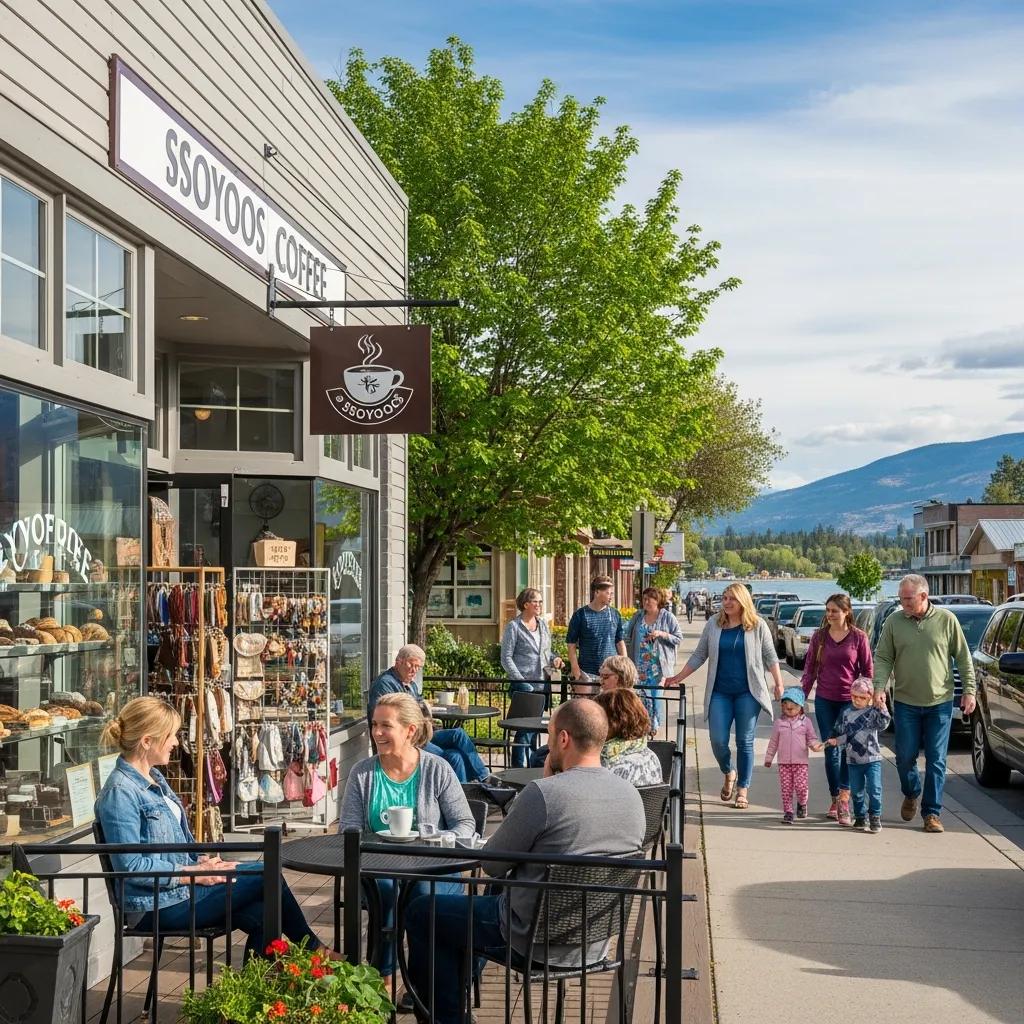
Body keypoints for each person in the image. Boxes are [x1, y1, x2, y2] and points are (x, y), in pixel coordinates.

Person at [403, 700, 645, 1024]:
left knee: (424, 912)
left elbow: (492, 865)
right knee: (476, 905)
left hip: (531, 940)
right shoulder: (632, 795)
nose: (546, 744)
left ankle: (445, 1018)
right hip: (595, 940)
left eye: (549, 735)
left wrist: (546, 781)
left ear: (563, 739)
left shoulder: (544, 794)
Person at [94, 697, 334, 961]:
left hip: (179, 892)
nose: (176, 742)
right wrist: (194, 873)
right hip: (155, 906)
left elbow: (174, 846)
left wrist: (203, 862)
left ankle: (257, 992)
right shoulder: (120, 793)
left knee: (265, 910)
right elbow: (130, 868)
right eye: (171, 735)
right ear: (147, 741)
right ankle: (315, 950)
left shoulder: (155, 778)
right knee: (267, 874)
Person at [340, 692, 473, 982]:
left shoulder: (437, 769)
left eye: (386, 726)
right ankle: (383, 979)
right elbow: (348, 830)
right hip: (380, 867)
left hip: (432, 868)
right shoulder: (363, 773)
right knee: (386, 893)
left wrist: (432, 840)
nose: (377, 733)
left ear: (410, 730)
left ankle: (421, 984)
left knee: (421, 896)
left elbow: (465, 825)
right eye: (374, 725)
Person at [871, 573, 976, 834]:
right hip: (906, 702)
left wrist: (970, 691)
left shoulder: (946, 620)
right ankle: (911, 791)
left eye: (908, 599)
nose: (903, 603)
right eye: (901, 598)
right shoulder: (894, 622)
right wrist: (878, 687)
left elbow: (963, 658)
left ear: (923, 596)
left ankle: (932, 813)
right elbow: (883, 658)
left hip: (939, 702)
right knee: (905, 757)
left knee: (936, 760)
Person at [665, 583, 784, 810]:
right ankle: (729, 771)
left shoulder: (757, 625)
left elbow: (770, 656)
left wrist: (778, 683)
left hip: (748, 693)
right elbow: (700, 654)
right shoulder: (714, 624)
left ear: (743, 602)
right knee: (718, 739)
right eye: (725, 598)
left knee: (744, 741)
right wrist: (678, 676)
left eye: (732, 599)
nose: (727, 602)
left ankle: (742, 789)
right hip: (720, 691)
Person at [367, 644, 495, 784]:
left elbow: (420, 706)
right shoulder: (385, 684)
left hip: (422, 733)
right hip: (408, 739)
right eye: (412, 665)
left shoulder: (410, 684)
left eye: (418, 667)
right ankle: (465, 794)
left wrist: (425, 710)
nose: (414, 670)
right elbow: (391, 717)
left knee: (458, 733)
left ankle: (483, 777)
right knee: (454, 756)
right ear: (399, 662)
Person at [801, 593, 873, 826]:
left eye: (834, 611)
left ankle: (844, 798)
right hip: (825, 700)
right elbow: (810, 669)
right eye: (828, 610)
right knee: (831, 750)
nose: (829, 615)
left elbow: (867, 671)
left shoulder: (858, 638)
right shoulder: (819, 637)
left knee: (848, 751)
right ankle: (836, 797)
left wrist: (868, 698)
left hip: (851, 703)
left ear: (846, 612)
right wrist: (800, 697)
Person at [500, 588, 564, 766]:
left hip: (541, 683)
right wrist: (521, 681)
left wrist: (555, 658)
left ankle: (534, 769)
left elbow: (545, 652)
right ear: (525, 604)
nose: (539, 605)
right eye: (536, 601)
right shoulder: (514, 627)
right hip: (523, 686)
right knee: (524, 731)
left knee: (535, 730)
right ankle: (517, 770)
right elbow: (506, 658)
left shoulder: (542, 624)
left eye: (541, 602)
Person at [824, 677, 891, 833]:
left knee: (874, 789)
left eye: (862, 697)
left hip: (872, 758)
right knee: (857, 791)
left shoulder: (873, 711)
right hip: (853, 760)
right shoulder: (846, 712)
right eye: (854, 696)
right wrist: (834, 741)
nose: (857, 700)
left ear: (869, 697)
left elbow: (884, 724)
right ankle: (860, 816)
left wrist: (882, 707)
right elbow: (845, 735)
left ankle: (875, 816)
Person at [624, 587, 682, 735]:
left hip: (658, 666)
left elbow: (678, 638)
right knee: (641, 697)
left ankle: (654, 724)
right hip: (639, 665)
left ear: (658, 601)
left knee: (655, 696)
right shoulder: (638, 616)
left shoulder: (667, 617)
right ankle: (643, 724)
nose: (647, 601)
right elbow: (626, 635)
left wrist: (661, 634)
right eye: (644, 599)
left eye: (650, 598)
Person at [763, 687, 823, 824]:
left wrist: (815, 745)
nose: (788, 710)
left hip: (800, 762)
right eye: (785, 707)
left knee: (801, 788)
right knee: (786, 789)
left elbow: (811, 738)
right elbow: (773, 742)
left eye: (792, 708)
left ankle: (802, 803)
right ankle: (788, 812)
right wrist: (768, 758)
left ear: (800, 707)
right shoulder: (779, 723)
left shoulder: (805, 722)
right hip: (784, 763)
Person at [566, 575, 626, 689]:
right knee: (586, 706)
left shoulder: (615, 614)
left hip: (611, 673)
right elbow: (571, 643)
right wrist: (575, 670)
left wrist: (625, 666)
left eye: (612, 593)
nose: (611, 597)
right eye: (608, 593)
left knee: (608, 706)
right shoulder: (580, 614)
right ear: (597, 592)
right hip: (587, 673)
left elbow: (619, 641)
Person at [595, 687, 663, 786]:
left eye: (598, 717)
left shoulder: (608, 763)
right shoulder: (649, 754)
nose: (594, 722)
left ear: (615, 721)